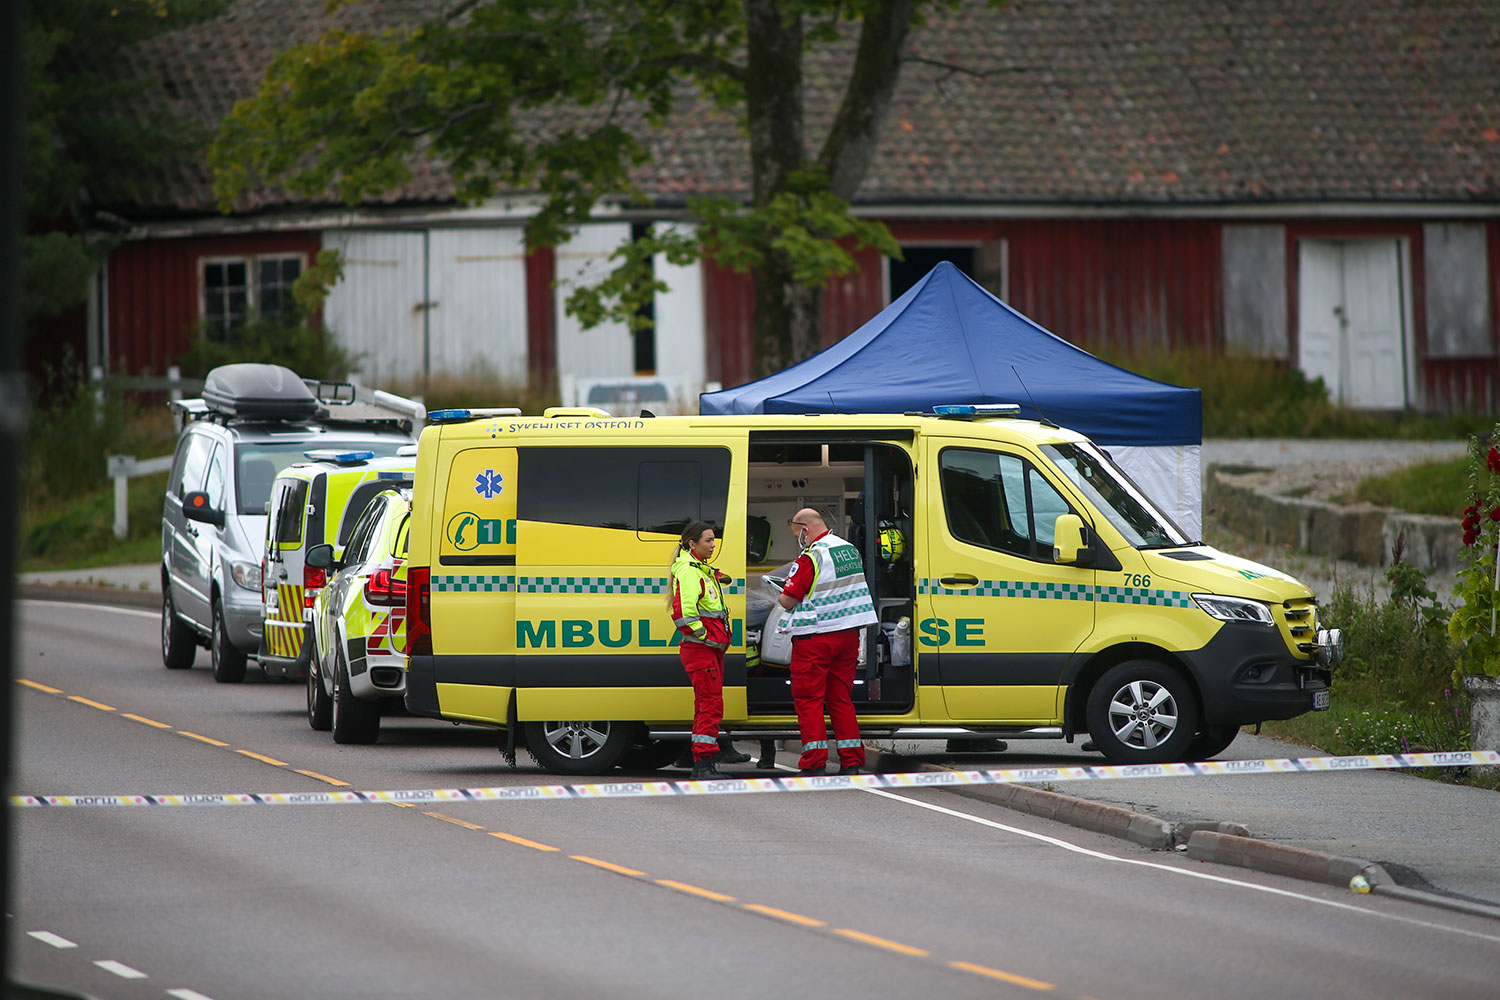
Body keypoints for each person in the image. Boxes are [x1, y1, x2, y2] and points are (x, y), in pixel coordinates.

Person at [776, 507, 879, 775]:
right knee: (841, 700)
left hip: (815, 637)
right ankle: (852, 762)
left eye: (798, 534)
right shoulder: (848, 550)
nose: (800, 539)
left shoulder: (812, 556)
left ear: (806, 529)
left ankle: (814, 763)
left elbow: (787, 600)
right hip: (847, 636)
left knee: (809, 700)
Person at [668, 521, 733, 780]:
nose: (713, 545)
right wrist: (705, 635)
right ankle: (704, 764)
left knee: (706, 704)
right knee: (710, 704)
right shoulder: (689, 571)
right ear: (692, 543)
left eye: (714, 540)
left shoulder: (699, 569)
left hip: (707, 649)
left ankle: (699, 759)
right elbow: (683, 613)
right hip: (701, 649)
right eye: (708, 540)